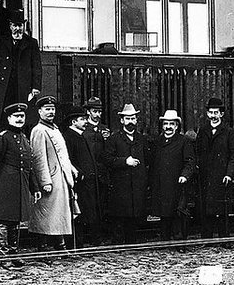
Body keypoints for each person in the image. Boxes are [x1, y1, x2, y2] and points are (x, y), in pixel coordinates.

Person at [0, 102, 37, 258]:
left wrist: (34, 188)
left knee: (15, 221)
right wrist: (1, 181)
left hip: (19, 186)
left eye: (22, 116)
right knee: (3, 222)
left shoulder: (23, 138)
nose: (20, 119)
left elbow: (29, 166)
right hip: (4, 186)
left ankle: (14, 255)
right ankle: (4, 257)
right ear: (9, 118)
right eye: (16, 116)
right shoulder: (2, 138)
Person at [28, 96, 79, 250]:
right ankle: (42, 247)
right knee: (46, 214)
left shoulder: (54, 128)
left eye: (52, 109)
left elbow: (62, 153)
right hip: (50, 178)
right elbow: (38, 158)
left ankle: (60, 245)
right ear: (39, 111)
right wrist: (45, 181)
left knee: (59, 213)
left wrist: (71, 168)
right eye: (47, 109)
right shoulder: (38, 130)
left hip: (60, 177)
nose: (51, 112)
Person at [0, 8, 42, 129]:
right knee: (4, 111)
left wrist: (36, 86)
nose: (17, 29)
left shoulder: (31, 43)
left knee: (23, 111)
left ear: (23, 26)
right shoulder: (1, 41)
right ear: (10, 26)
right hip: (5, 84)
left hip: (23, 85)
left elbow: (37, 65)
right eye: (15, 25)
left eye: (20, 25)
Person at [101, 103, 151, 243]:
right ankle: (119, 244)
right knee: (120, 216)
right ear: (122, 120)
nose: (130, 122)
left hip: (137, 185)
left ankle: (132, 243)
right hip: (120, 186)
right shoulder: (113, 139)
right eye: (127, 119)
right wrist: (124, 161)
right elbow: (107, 159)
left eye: (133, 119)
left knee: (135, 217)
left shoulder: (142, 139)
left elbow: (147, 160)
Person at [63, 98, 108, 245]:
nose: (85, 122)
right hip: (79, 182)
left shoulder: (80, 135)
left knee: (88, 211)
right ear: (73, 122)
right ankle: (77, 244)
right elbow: (69, 159)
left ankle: (86, 242)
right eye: (82, 119)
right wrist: (79, 173)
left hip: (88, 181)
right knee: (78, 213)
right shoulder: (70, 136)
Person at [150, 109, 196, 241]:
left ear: (176, 126)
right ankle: (165, 239)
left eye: (171, 124)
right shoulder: (158, 142)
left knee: (178, 214)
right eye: (166, 124)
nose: (168, 127)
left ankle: (179, 242)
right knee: (164, 213)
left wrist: (184, 175)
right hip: (161, 184)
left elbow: (190, 161)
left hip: (177, 184)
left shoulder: (183, 141)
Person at [195, 97, 234, 238]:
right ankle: (207, 238)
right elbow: (198, 152)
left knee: (222, 208)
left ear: (221, 114)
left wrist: (229, 174)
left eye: (216, 112)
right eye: (211, 112)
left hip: (222, 176)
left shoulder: (229, 132)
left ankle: (224, 238)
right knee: (206, 207)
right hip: (206, 176)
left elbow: (233, 156)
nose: (213, 115)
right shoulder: (203, 131)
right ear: (207, 114)